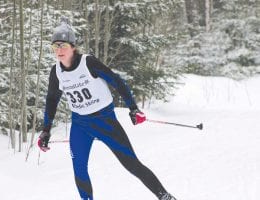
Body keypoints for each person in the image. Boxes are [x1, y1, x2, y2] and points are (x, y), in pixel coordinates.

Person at [37, 17, 177, 200]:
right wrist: (46, 131)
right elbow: (51, 101)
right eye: (55, 47)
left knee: (131, 164)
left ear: (73, 47)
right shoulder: (56, 72)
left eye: (62, 45)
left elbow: (117, 81)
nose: (59, 51)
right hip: (80, 125)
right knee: (79, 169)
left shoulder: (88, 63)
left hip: (105, 121)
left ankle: (165, 196)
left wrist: (133, 108)